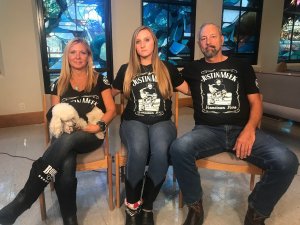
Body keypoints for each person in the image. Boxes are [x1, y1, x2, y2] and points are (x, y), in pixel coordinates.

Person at [170, 23, 299, 225]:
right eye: (203, 39)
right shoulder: (193, 68)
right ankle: (195, 206)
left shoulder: (242, 66)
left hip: (243, 129)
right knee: (178, 148)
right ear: (199, 44)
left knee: (287, 161)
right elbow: (178, 85)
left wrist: (249, 130)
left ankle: (256, 212)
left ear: (222, 39)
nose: (208, 42)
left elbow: (256, 102)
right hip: (207, 131)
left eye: (212, 37)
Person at [0, 38, 116, 225]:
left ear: (88, 56)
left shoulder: (99, 79)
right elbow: (56, 116)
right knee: (66, 161)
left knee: (67, 143)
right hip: (65, 136)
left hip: (90, 134)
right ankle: (70, 219)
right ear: (67, 56)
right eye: (73, 52)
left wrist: (100, 126)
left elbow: (112, 109)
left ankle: (21, 202)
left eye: (82, 52)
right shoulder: (59, 83)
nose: (78, 56)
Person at [112, 26, 190, 225]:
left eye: (146, 40)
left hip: (162, 122)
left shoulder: (167, 68)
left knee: (161, 151)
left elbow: (189, 90)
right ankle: (131, 206)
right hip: (133, 121)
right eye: (138, 42)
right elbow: (107, 94)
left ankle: (147, 205)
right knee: (138, 150)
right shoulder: (126, 69)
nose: (142, 45)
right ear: (134, 46)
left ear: (154, 43)